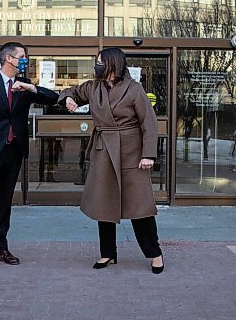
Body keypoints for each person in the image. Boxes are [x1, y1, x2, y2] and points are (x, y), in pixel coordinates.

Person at [58, 47, 164, 273]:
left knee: (140, 207)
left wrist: (148, 155)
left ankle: (155, 253)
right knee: (103, 205)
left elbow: (149, 123)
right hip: (104, 151)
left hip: (131, 154)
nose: (96, 65)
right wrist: (68, 99)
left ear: (112, 64)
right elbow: (71, 92)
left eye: (99, 62)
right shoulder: (92, 87)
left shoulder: (134, 89)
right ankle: (108, 253)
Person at [0, 42, 59, 272]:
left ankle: (0, 248)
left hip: (13, 153)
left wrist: (31, 89)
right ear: (9, 58)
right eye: (22, 56)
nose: (25, 60)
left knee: (5, 203)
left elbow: (53, 97)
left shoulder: (24, 85)